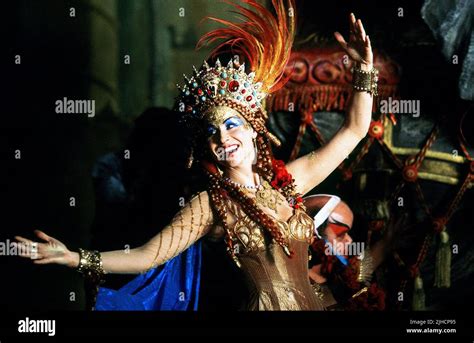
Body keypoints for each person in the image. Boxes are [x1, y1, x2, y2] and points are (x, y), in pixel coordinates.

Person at [15, 0, 377, 311]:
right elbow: (147, 255)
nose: (223, 137)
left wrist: (363, 71)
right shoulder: (209, 205)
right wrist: (73, 257)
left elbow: (354, 131)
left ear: (253, 127)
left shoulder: (288, 183)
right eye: (212, 132)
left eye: (232, 125)